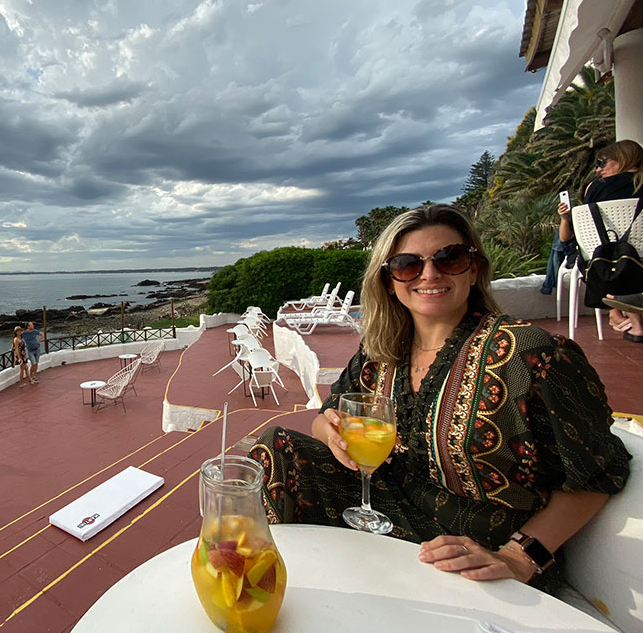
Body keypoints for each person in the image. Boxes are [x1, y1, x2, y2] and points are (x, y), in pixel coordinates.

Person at [250, 204, 630, 590]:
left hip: (476, 544)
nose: (429, 274)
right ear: (388, 281)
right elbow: (331, 412)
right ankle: (259, 593)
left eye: (449, 258)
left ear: (474, 269)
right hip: (385, 507)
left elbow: (599, 473)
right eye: (406, 264)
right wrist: (326, 428)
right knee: (274, 449)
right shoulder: (380, 351)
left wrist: (517, 557)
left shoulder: (527, 352)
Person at [541, 139, 643, 295]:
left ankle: (617, 313)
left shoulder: (598, 186)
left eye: (602, 163)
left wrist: (565, 218)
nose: (598, 170)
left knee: (570, 243)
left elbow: (567, 237)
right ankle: (623, 313)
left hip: (605, 258)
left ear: (623, 159)